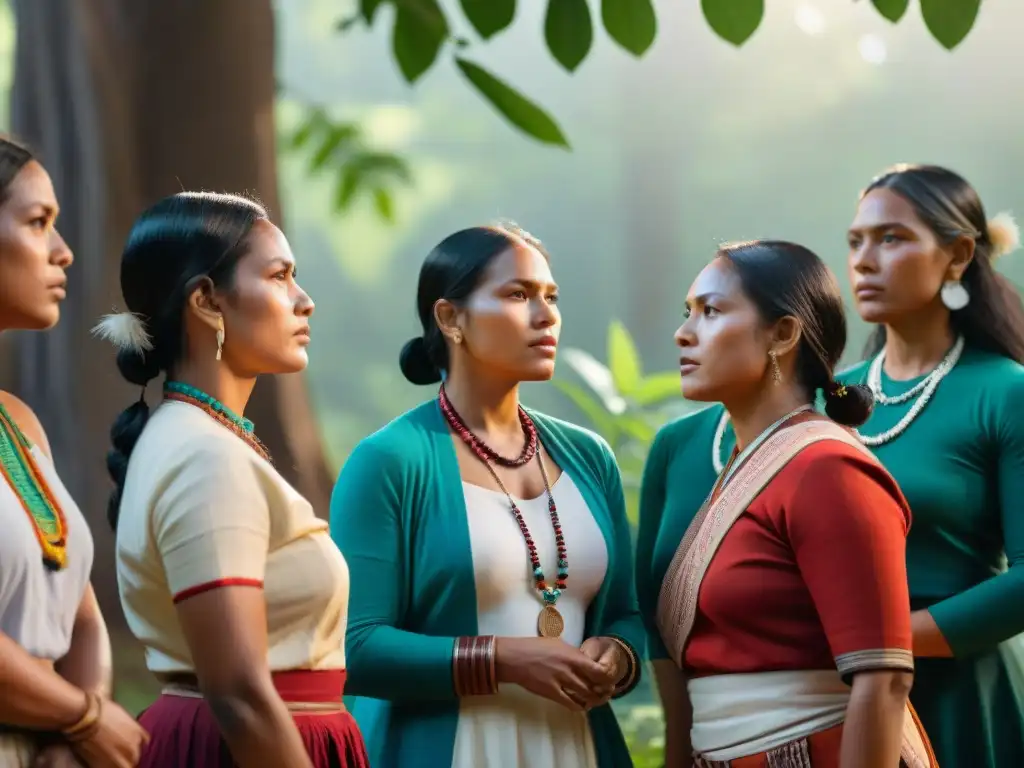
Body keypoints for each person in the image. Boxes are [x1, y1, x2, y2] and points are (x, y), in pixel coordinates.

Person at [329, 223, 644, 768]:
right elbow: (354, 648)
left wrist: (615, 655)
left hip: (578, 746)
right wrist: (503, 659)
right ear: (450, 318)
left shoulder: (588, 456)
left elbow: (627, 615)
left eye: (551, 297)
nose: (546, 316)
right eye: (518, 295)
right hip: (449, 749)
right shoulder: (390, 460)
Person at [638, 240, 937, 767]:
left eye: (711, 311)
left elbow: (884, 678)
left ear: (783, 334)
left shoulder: (830, 471)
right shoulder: (736, 469)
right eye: (687, 313)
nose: (683, 333)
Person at [99, 192, 368, 768]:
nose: (305, 301)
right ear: (207, 301)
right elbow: (241, 696)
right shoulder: (204, 457)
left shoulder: (201, 438)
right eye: (280, 276)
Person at [840, 163, 1024, 767]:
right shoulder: (820, 400)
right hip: (827, 695)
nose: (865, 260)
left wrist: (881, 646)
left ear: (958, 255)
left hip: (957, 699)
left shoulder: (1004, 392)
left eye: (891, 238)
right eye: (856, 241)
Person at [0, 135, 148, 768]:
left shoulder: (18, 423)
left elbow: (80, 613)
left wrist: (74, 741)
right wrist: (84, 716)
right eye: (38, 223)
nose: (64, 252)